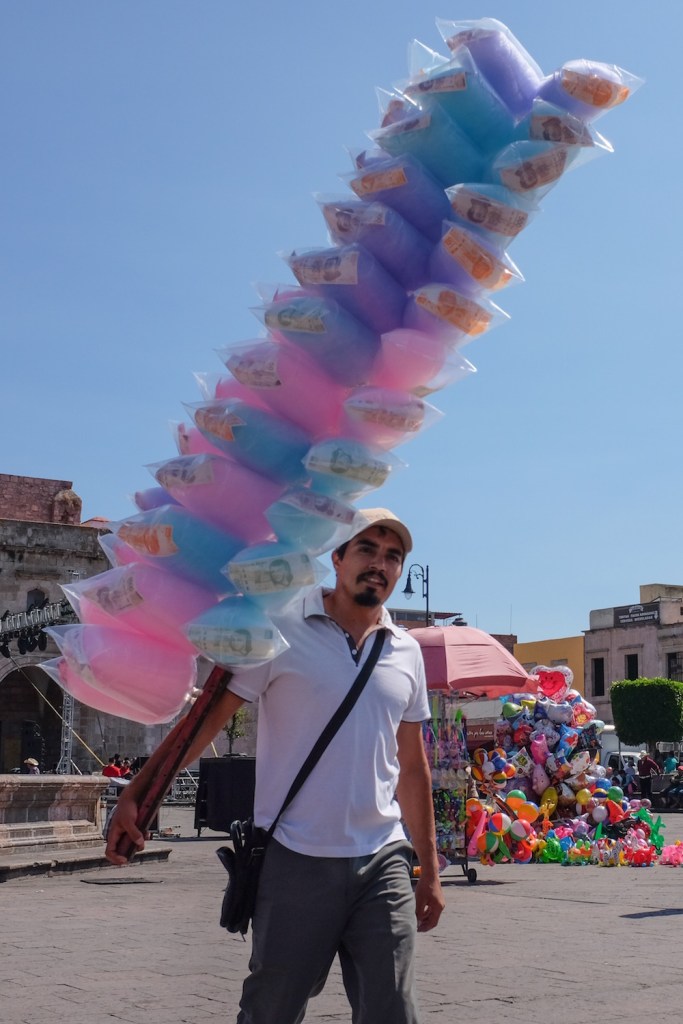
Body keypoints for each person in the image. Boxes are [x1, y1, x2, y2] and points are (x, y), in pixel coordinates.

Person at [105, 508, 445, 1023]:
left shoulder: (406, 651)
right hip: (295, 856)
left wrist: (430, 870)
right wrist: (139, 792)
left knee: (394, 1010)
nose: (380, 564)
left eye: (392, 557)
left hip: (383, 857)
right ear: (337, 558)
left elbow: (413, 767)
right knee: (272, 1008)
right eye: (366, 550)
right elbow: (206, 721)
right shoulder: (279, 627)